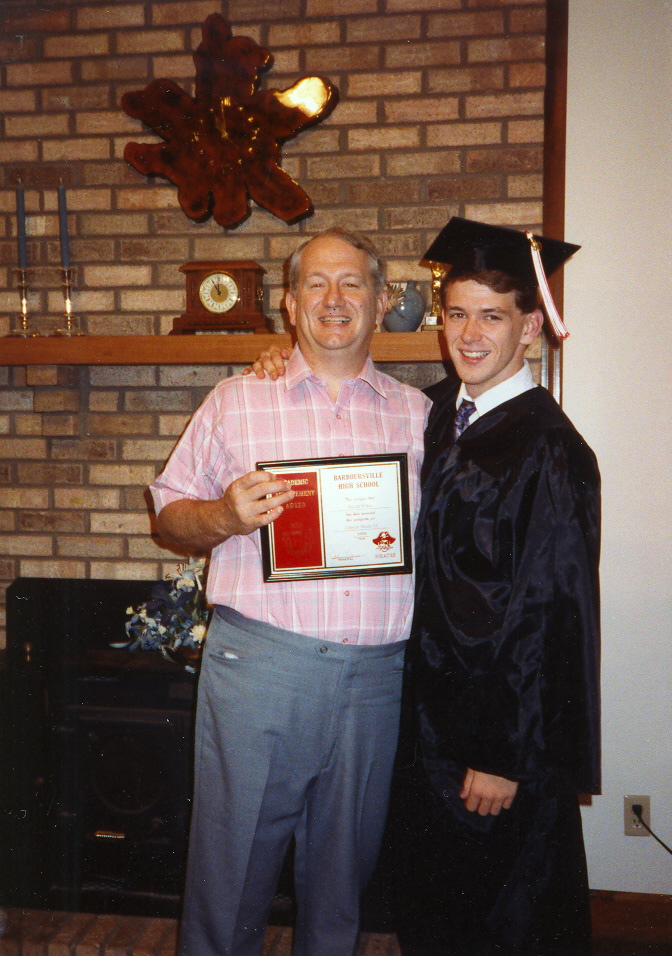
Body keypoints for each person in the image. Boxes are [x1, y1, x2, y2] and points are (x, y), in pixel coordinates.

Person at [149, 227, 431, 956]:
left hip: (375, 682)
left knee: (344, 886)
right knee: (230, 876)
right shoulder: (237, 400)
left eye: (353, 284)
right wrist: (223, 516)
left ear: (382, 302)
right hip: (260, 671)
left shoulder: (421, 417)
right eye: (316, 283)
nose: (334, 299)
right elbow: (172, 515)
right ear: (287, 303)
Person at [391, 218, 601, 956]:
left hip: (493, 741)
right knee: (437, 915)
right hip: (433, 725)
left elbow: (549, 610)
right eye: (456, 313)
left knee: (501, 923)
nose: (468, 333)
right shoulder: (442, 413)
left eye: (492, 315)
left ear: (531, 326)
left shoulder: (546, 446)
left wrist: (504, 754)